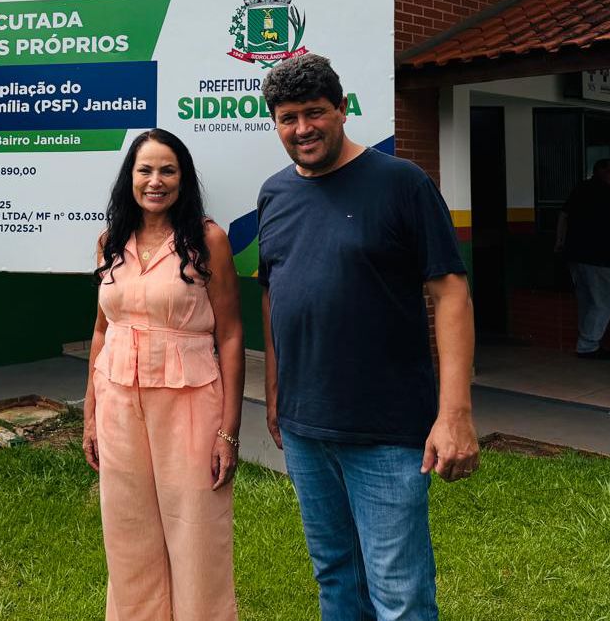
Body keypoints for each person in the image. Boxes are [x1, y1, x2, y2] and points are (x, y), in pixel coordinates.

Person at [257, 54, 477, 621]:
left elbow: (450, 293)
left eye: (314, 113)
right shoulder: (274, 194)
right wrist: (275, 389)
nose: (302, 128)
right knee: (335, 577)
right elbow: (273, 294)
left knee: (399, 593)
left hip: (386, 427)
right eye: (287, 117)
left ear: (343, 110)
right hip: (306, 427)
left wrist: (453, 414)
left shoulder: (401, 183)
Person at [81, 128, 244, 621]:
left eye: (167, 170)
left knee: (196, 530)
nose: (156, 181)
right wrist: (89, 416)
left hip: (190, 402)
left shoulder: (208, 239)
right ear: (129, 178)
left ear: (183, 177)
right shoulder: (110, 242)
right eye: (145, 170)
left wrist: (229, 433)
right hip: (117, 403)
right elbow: (99, 331)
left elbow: (232, 336)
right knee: (128, 530)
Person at [555, 160, 610, 360]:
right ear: (603, 171)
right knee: (605, 301)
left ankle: (587, 341)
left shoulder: (580, 189)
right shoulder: (604, 192)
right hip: (599, 257)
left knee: (587, 300)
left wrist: (560, 242)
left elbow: (563, 216)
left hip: (575, 255)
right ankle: (588, 345)